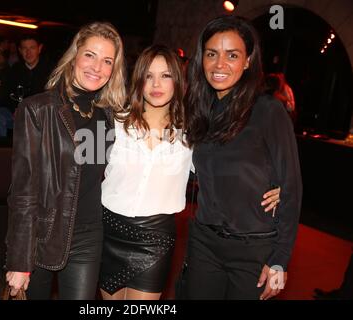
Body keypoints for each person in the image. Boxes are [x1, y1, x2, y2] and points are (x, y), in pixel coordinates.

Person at [99, 45, 281, 300]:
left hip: (155, 238)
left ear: (178, 80)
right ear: (138, 80)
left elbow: (227, 167)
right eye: (149, 75)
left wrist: (275, 183)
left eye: (166, 76)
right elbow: (80, 172)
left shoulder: (192, 132)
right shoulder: (114, 122)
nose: (156, 84)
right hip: (108, 231)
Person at [182, 16, 302, 300]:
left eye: (232, 55)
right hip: (204, 244)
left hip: (254, 249)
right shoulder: (199, 109)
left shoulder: (269, 111)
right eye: (212, 54)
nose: (219, 64)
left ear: (248, 60)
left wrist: (279, 259)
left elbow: (292, 187)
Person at [5, 21, 126, 300]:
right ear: (74, 56)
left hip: (88, 234)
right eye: (90, 55)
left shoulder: (109, 116)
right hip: (42, 234)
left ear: (114, 70)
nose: (97, 67)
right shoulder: (37, 110)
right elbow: (23, 191)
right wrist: (19, 259)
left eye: (107, 61)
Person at [0, 34, 53, 137]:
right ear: (20, 51)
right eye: (24, 48)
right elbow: (6, 95)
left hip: (42, 117)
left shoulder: (51, 70)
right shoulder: (14, 70)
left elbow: (54, 98)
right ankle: (0, 150)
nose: (28, 52)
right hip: (17, 115)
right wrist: (15, 108)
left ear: (39, 49)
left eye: (32, 48)